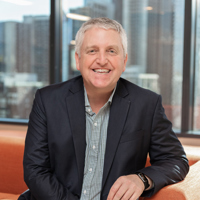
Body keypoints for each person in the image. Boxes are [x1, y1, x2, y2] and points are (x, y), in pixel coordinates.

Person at [18, 17, 189, 200]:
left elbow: (176, 161)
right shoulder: (47, 100)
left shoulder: (147, 104)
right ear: (78, 59)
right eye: (92, 50)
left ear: (124, 61)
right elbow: (35, 170)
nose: (101, 60)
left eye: (111, 51)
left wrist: (142, 179)